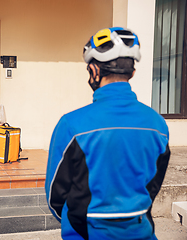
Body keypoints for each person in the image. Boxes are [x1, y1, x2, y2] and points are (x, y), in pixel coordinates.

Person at [45, 27, 170, 240]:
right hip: (141, 232)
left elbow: (55, 196)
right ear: (132, 73)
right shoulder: (158, 124)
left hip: (85, 233)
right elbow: (153, 186)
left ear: (94, 71)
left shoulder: (71, 125)